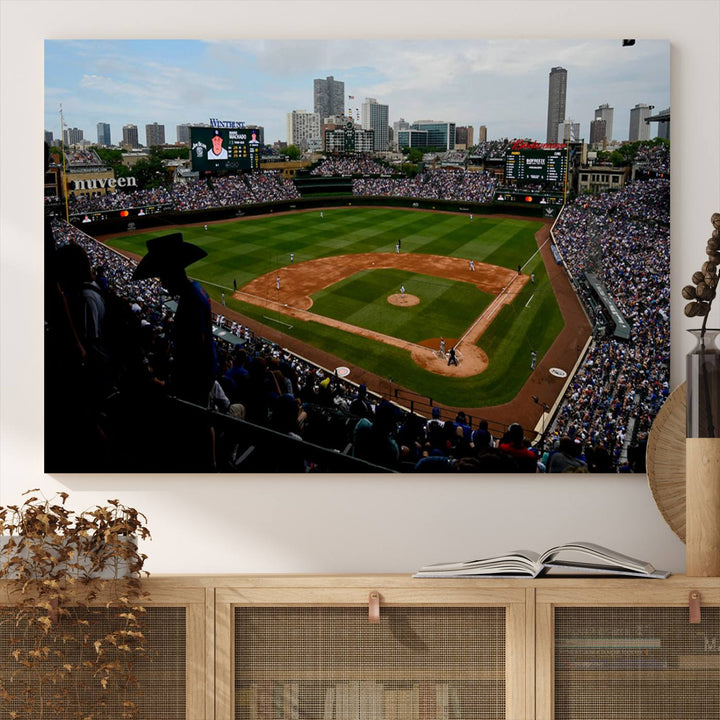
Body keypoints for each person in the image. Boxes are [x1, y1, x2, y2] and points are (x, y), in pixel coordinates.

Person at [132, 232, 216, 406]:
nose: (162, 283)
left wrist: (171, 384)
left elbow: (194, 351)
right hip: (201, 377)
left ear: (172, 273)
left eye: (162, 276)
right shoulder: (195, 290)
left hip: (194, 383)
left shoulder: (191, 300)